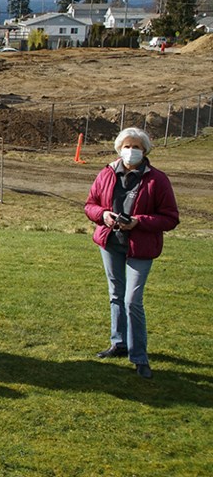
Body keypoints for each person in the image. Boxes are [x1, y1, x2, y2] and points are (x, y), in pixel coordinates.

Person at [84, 127, 178, 379]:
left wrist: (138, 222)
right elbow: (90, 204)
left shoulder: (157, 180)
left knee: (132, 300)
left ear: (145, 150)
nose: (131, 151)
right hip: (111, 242)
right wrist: (102, 215)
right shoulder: (106, 173)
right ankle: (119, 343)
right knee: (116, 294)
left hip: (141, 247)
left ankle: (139, 356)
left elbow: (170, 218)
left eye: (136, 146)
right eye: (127, 146)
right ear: (118, 149)